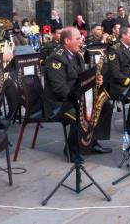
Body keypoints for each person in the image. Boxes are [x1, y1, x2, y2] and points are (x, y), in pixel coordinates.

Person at [43, 27, 112, 163]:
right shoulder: (55, 59)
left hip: (75, 97)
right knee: (79, 116)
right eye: (78, 39)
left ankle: (92, 142)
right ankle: (70, 149)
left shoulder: (76, 55)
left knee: (105, 106)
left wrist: (94, 80)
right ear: (67, 41)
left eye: (81, 38)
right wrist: (81, 100)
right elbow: (59, 89)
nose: (82, 41)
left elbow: (81, 77)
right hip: (59, 104)